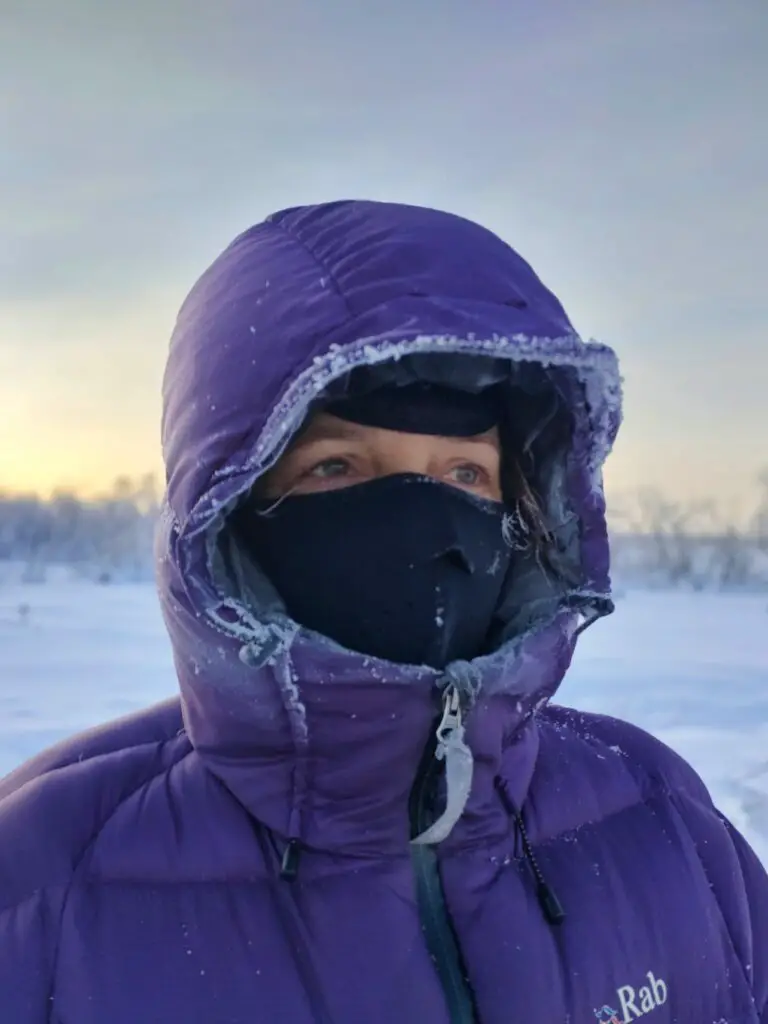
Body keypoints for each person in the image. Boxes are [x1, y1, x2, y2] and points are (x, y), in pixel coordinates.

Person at [0, 200, 765, 1024]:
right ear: (225, 514)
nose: (420, 516)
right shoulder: (44, 878)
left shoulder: (661, 817)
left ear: (528, 508)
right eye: (335, 466)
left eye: (465, 474)